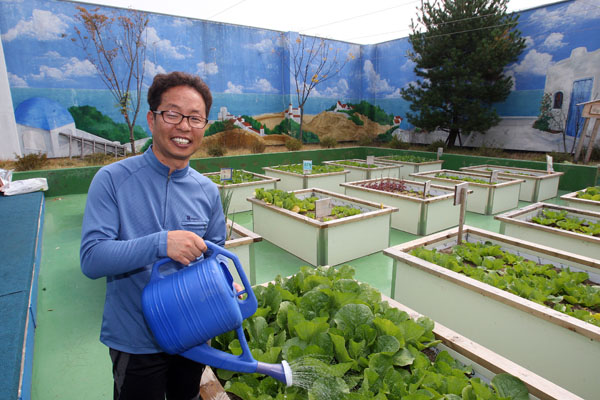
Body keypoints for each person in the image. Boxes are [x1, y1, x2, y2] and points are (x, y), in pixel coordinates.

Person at [80, 71, 231, 400]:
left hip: (192, 333)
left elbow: (215, 255)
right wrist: (160, 243)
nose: (184, 126)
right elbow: (92, 258)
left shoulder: (207, 191)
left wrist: (223, 282)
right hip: (136, 340)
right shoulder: (112, 180)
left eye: (195, 118)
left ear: (204, 126)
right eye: (173, 114)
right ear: (152, 119)